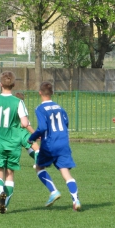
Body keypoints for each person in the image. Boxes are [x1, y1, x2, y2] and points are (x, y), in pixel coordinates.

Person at [0, 71, 29, 214]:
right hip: (13, 144)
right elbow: (25, 123)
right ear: (13, 85)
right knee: (9, 174)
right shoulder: (18, 102)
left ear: (0, 84)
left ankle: (0, 191)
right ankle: (5, 203)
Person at [28, 81, 81, 211]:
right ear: (52, 93)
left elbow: (42, 127)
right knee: (65, 172)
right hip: (63, 142)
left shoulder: (40, 108)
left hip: (50, 144)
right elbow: (66, 123)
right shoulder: (60, 108)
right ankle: (76, 200)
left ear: (40, 93)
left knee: (39, 167)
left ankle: (54, 191)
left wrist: (32, 138)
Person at [15, 92, 39, 168]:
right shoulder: (21, 105)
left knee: (27, 147)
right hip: (21, 132)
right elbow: (25, 124)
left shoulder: (12, 105)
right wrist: (35, 133)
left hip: (13, 132)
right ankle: (37, 164)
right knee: (36, 147)